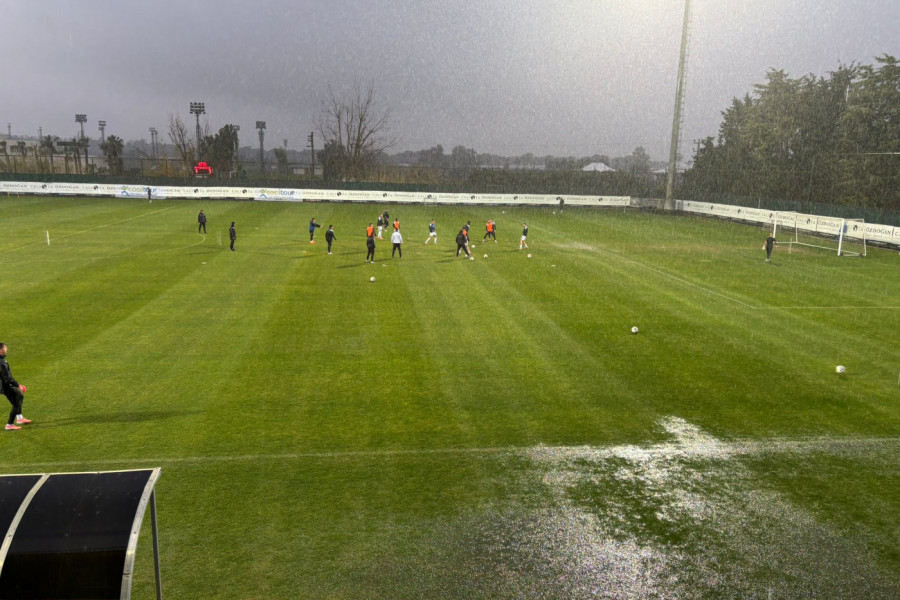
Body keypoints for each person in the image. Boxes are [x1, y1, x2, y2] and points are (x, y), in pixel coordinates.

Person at [0, 343, 30, 431]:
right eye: (4, 347)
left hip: (3, 385)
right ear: (0, 351)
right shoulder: (2, 363)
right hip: (5, 386)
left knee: (17, 399)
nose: (6, 348)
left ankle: (20, 418)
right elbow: (7, 378)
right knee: (17, 400)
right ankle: (9, 424)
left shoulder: (1, 361)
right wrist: (18, 385)